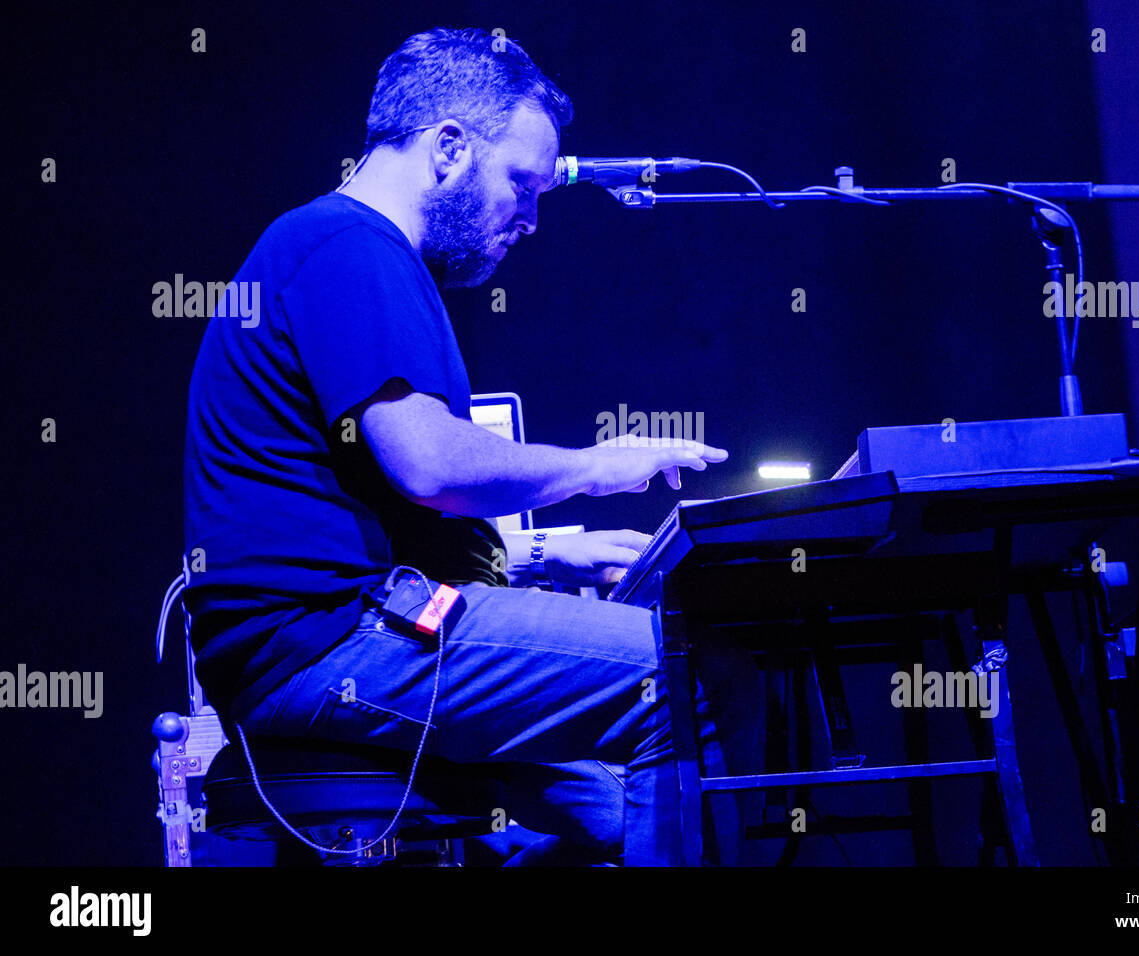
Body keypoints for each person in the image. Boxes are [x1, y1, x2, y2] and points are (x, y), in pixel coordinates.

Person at [182, 27, 742, 866]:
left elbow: (364, 509)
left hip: (324, 639)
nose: (532, 219)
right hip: (332, 645)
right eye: (523, 182)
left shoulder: (338, 250)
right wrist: (598, 465)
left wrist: (539, 560)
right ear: (449, 148)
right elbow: (431, 464)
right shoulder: (348, 246)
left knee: (616, 812)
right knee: (690, 670)